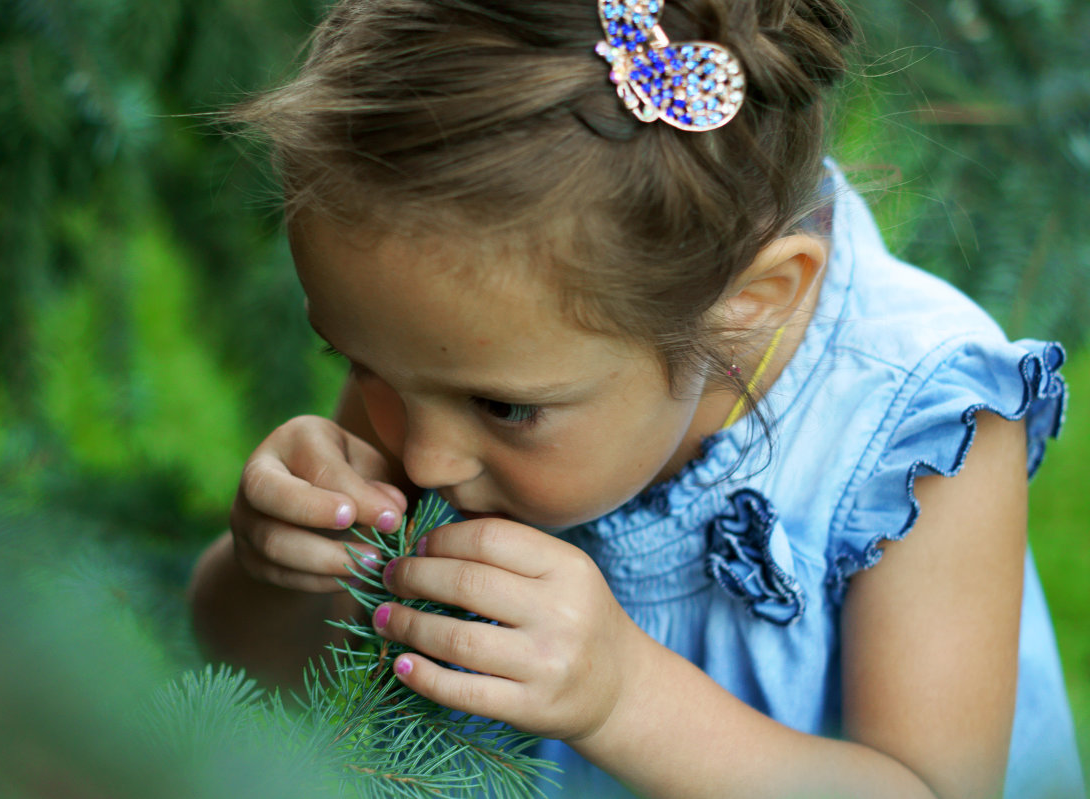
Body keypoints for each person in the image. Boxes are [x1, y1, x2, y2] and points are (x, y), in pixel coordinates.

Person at [188, 1, 1084, 796]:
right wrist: (271, 569)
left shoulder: (918, 429)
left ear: (745, 308)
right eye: (357, 363)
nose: (422, 458)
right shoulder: (451, 360)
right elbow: (256, 665)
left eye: (505, 408)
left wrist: (625, 698)